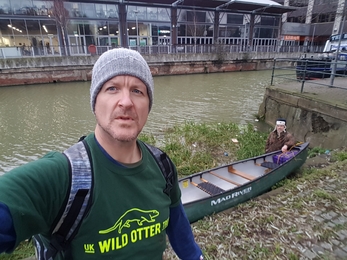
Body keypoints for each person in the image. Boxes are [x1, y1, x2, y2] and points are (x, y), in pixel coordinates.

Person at [0, 48, 203, 260]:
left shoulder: (163, 167)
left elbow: (178, 225)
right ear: (95, 103)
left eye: (137, 91)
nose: (126, 102)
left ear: (148, 106)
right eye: (112, 88)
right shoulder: (63, 177)